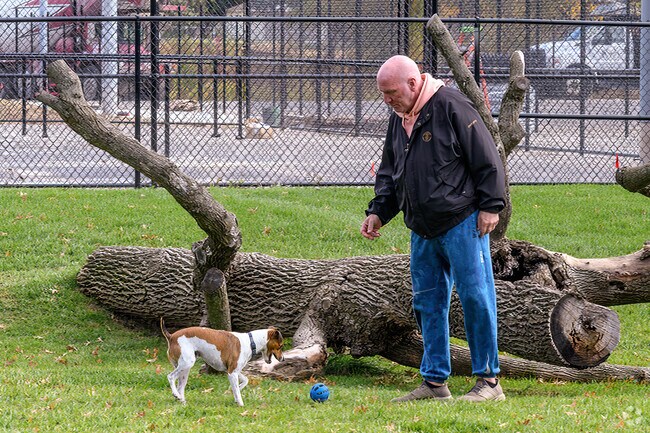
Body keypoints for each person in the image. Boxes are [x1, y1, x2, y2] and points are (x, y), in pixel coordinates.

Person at [361, 55, 506, 402]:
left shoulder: (453, 105)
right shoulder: (400, 119)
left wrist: (490, 206)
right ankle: (434, 382)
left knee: (476, 298)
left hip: (463, 221)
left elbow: (487, 158)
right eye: (383, 94)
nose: (387, 100)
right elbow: (391, 171)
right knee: (428, 303)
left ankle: (489, 382)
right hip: (422, 230)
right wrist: (379, 211)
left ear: (413, 83)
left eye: (391, 92)